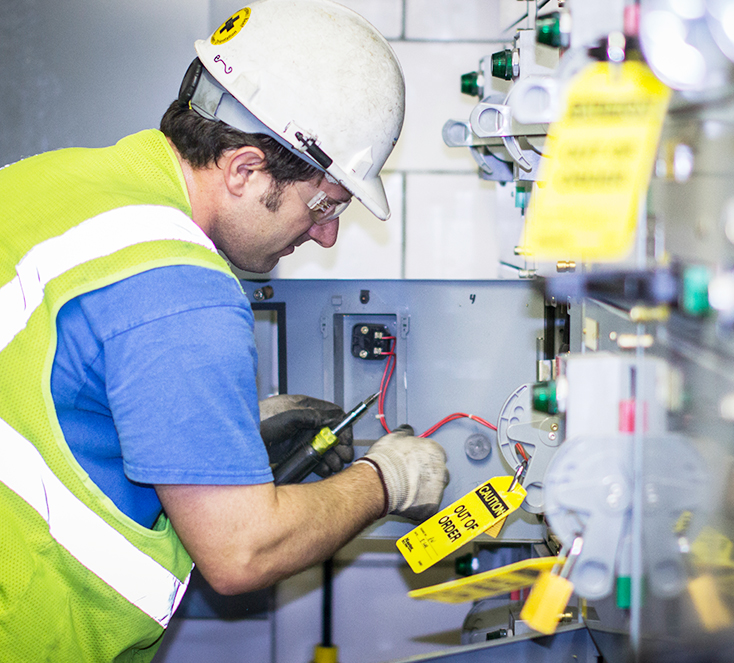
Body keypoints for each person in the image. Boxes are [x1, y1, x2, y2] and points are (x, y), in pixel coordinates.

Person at [0, 1, 449, 661]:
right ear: (242, 168)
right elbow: (242, 549)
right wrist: (385, 478)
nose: (325, 232)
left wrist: (206, 435)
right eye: (324, 204)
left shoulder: (41, 181)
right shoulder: (183, 288)